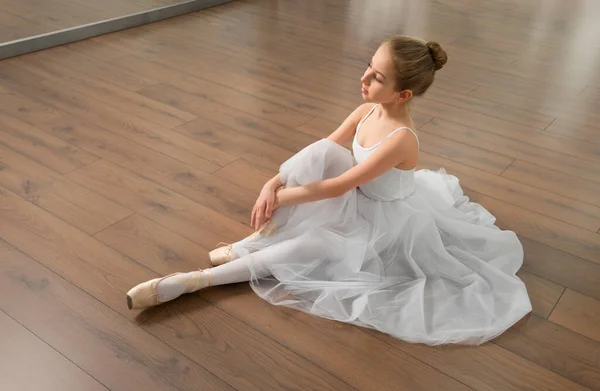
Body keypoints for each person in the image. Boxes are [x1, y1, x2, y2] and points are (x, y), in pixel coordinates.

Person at [126, 35, 532, 346]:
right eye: (368, 67)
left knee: (311, 246)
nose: (364, 79)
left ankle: (195, 281)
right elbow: (322, 154)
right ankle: (250, 241)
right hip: (353, 199)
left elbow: (341, 184)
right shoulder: (366, 109)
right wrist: (272, 183)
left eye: (377, 77)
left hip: (384, 223)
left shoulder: (402, 140)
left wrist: (279, 197)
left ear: (402, 94)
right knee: (319, 152)